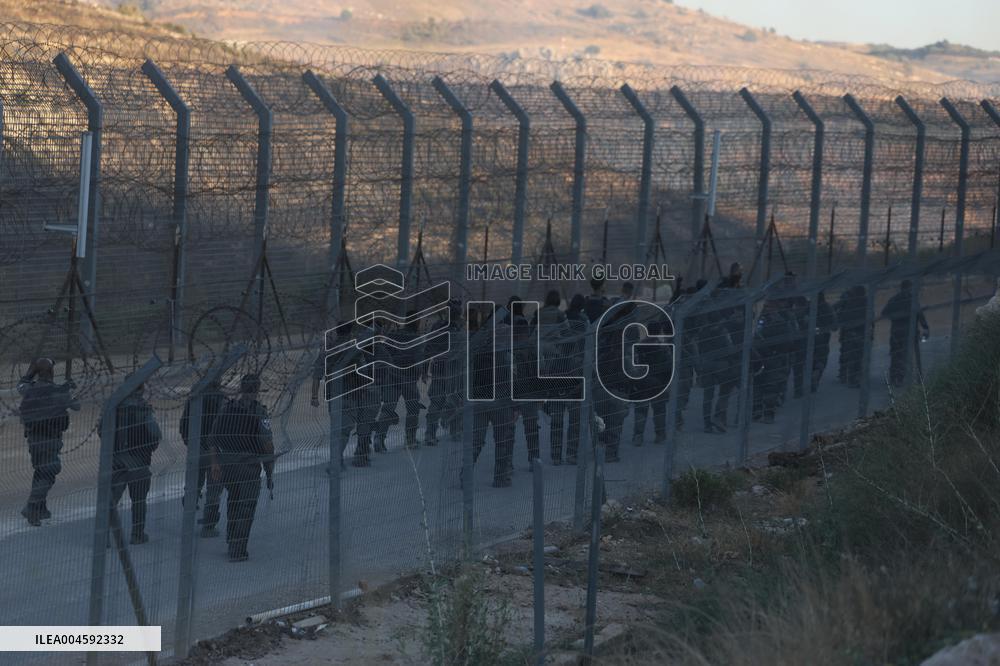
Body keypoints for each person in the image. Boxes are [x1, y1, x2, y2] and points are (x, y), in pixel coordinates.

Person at [207, 373, 275, 562]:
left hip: (227, 465)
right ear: (257, 389)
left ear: (241, 388)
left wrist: (215, 463)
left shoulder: (227, 409)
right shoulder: (259, 412)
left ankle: (232, 539)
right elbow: (267, 444)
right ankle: (238, 549)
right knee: (246, 506)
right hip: (248, 466)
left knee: (233, 501)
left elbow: (212, 438)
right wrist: (269, 469)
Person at [17, 357, 80, 526]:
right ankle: (31, 508)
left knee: (41, 471)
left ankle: (41, 508)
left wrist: (32, 371)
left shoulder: (28, 389)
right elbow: (77, 406)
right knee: (49, 472)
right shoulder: (58, 391)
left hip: (34, 439)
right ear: (52, 372)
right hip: (51, 439)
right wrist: (68, 388)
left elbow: (21, 384)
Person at [110, 381, 162, 545]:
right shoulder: (143, 409)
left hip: (117, 460)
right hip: (139, 460)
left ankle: (103, 537)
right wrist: (150, 447)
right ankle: (137, 534)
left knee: (111, 500)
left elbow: (102, 431)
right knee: (139, 500)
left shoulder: (114, 407)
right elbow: (155, 433)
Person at [470, 313, 515, 487]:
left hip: (479, 400)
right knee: (502, 441)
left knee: (476, 441)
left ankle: (465, 476)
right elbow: (511, 381)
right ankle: (501, 477)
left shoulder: (477, 350)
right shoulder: (506, 355)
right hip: (501, 401)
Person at [180, 379, 226, 537]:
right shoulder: (222, 401)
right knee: (214, 491)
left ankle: (188, 519)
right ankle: (209, 527)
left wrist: (191, 444)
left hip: (196, 449)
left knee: (193, 486)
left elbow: (183, 426)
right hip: (215, 452)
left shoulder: (194, 399)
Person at [424, 300, 464, 447]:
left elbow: (428, 348)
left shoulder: (458, 327)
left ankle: (451, 430)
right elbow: (429, 347)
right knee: (442, 401)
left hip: (452, 369)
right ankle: (434, 433)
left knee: (451, 401)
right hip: (445, 368)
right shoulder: (444, 327)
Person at [508, 295, 541, 466]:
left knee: (507, 428)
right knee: (531, 425)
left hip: (510, 386)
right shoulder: (525, 332)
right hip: (527, 386)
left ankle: (506, 464)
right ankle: (533, 459)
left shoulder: (504, 327)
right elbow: (535, 364)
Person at [881, 280, 930, 387]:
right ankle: (900, 378)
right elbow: (920, 315)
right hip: (907, 332)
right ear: (908, 288)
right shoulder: (911, 299)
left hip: (898, 332)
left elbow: (884, 313)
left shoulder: (895, 299)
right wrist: (925, 327)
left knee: (897, 355)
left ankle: (896, 378)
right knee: (903, 355)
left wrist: (895, 317)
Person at [631, 320, 673, 445]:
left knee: (640, 409)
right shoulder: (663, 346)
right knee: (659, 409)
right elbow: (669, 365)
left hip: (642, 381)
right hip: (659, 382)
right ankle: (660, 435)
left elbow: (634, 364)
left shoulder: (639, 346)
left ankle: (638, 436)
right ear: (659, 331)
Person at [753, 299, 794, 423]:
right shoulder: (761, 321)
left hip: (774, 358)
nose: (767, 309)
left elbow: (787, 342)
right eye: (766, 307)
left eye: (769, 307)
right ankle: (758, 412)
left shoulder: (780, 322)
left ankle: (768, 414)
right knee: (759, 385)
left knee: (770, 387)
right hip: (761, 357)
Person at [835, 285, 868, 387]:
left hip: (849, 333)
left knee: (848, 355)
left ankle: (846, 375)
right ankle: (853, 377)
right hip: (858, 333)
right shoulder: (865, 302)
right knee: (857, 356)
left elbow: (839, 314)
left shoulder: (849, 301)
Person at [811, 291, 838, 393]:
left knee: (810, 359)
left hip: (810, 337)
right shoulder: (827, 308)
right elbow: (835, 326)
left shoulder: (810, 307)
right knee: (821, 359)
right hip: (823, 338)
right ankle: (816, 376)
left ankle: (810, 378)